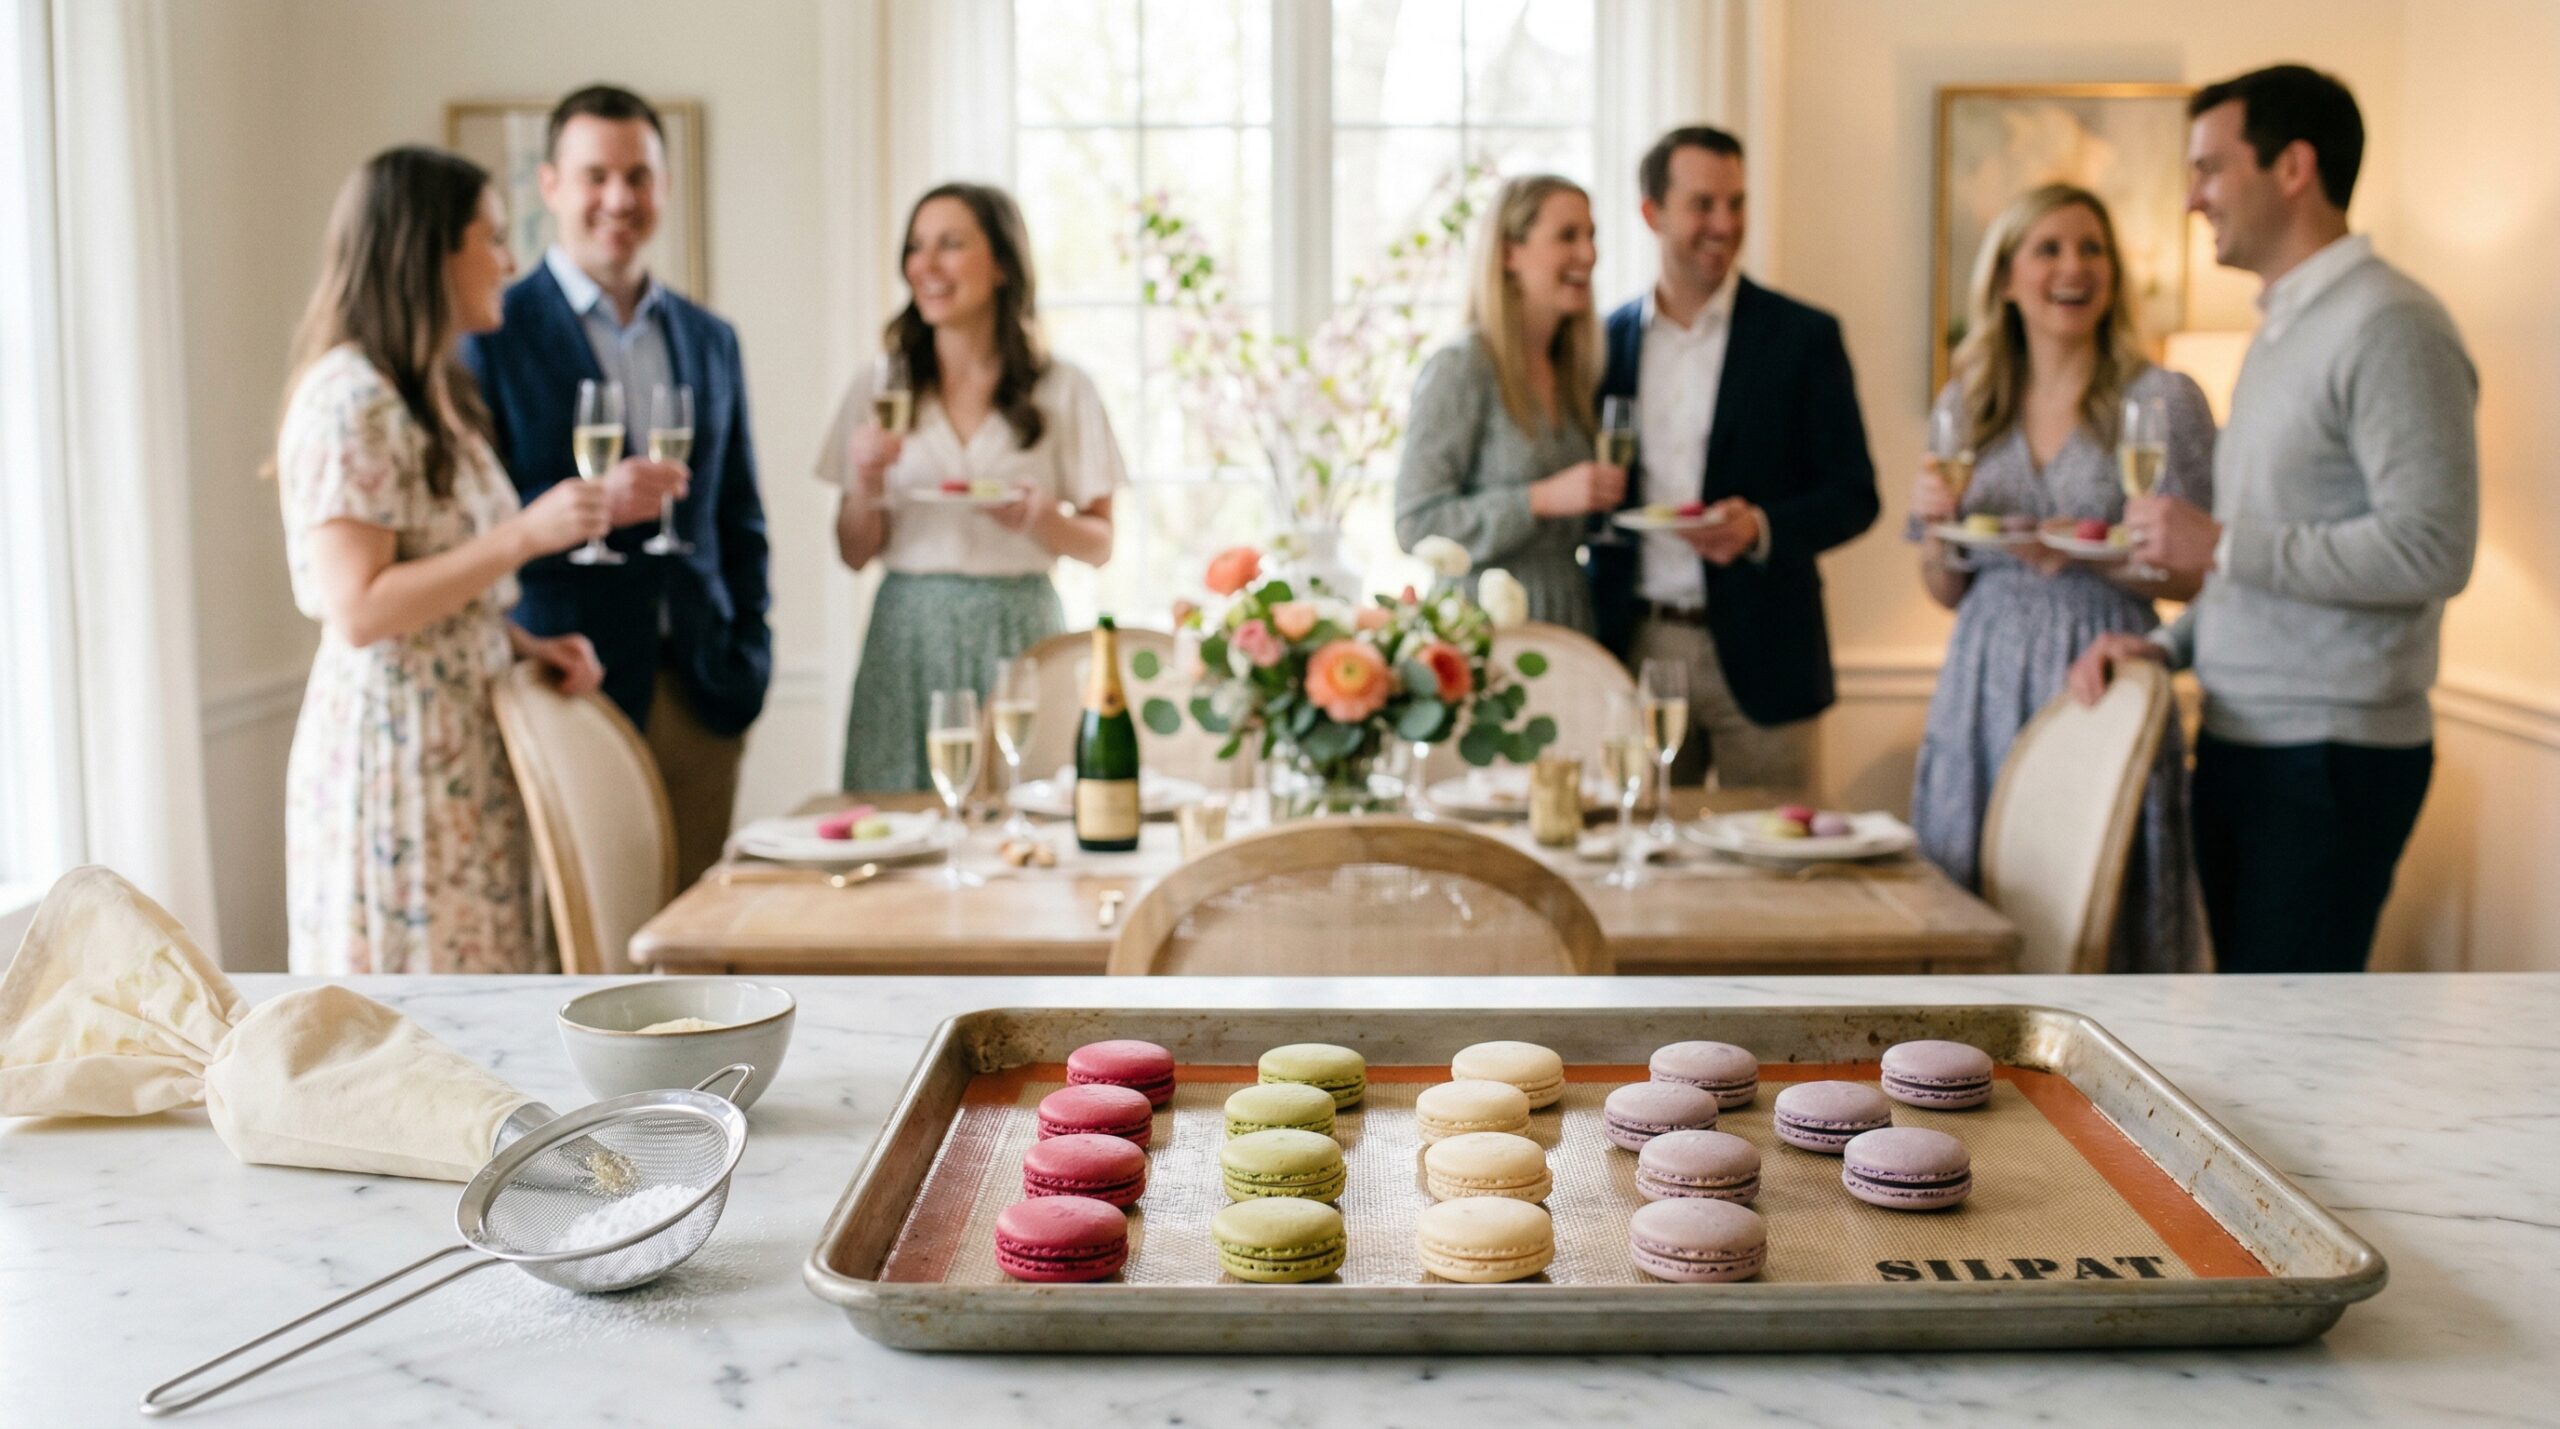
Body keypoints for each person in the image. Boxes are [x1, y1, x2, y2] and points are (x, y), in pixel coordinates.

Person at [2070, 65, 2477, 974]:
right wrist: (2166, 650)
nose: (2191, 198)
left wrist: (2219, 543)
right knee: (2247, 1026)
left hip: (2328, 758)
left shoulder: (2391, 324)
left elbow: (2434, 548)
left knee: (2292, 1049)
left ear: (2293, 167)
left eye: (2211, 168)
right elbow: (2258, 563)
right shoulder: (2281, 330)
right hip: (2247, 738)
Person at [277, 146, 611, 975]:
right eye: (491, 238)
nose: (508, 260)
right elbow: (358, 608)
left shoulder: (430, 392)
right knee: (426, 1015)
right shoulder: (350, 399)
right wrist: (526, 535)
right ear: (428, 251)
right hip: (399, 758)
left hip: (461, 746)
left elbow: (440, 580)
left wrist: (524, 644)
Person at [463, 84, 771, 889]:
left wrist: (750, 650)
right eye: (596, 175)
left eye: (638, 176)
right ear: (552, 185)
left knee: (692, 940)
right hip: (569, 687)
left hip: (705, 691)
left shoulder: (711, 338)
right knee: (582, 954)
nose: (618, 199)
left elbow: (740, 516)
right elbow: (473, 528)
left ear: (663, 185)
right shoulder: (491, 336)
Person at [1909, 184, 2216, 972]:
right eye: (2048, 248)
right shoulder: (1969, 401)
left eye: (2091, 248)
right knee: (1971, 899)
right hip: (1982, 672)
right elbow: (1946, 586)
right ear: (2007, 275)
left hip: (2102, 670)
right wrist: (1938, 528)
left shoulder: (2162, 400)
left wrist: (2079, 555)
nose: (2072, 267)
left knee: (2102, 907)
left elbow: (2196, 573)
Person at [1589, 127, 1879, 791]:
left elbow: (1855, 494)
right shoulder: (1603, 346)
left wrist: (1761, 527)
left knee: (1781, 870)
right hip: (1640, 646)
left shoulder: (1804, 337)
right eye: (1703, 205)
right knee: (1652, 860)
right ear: (1651, 213)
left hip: (1771, 650)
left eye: (1737, 204)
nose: (1724, 224)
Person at [818, 183, 1125, 791]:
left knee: (1024, 821)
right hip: (906, 631)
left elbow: (1100, 544)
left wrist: (1044, 520)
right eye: (916, 247)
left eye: (950, 245)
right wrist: (865, 482)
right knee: (895, 820)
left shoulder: (1064, 388)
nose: (925, 266)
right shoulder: (881, 385)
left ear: (1002, 264)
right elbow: (854, 553)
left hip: (1021, 632)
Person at [1396, 174, 1621, 633]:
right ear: (1509, 253)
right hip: (1483, 632)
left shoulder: (1575, 369)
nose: (1588, 254)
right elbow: (1416, 523)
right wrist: (1539, 499)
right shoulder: (1462, 368)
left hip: (1571, 621)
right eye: (1567, 236)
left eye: (1591, 236)